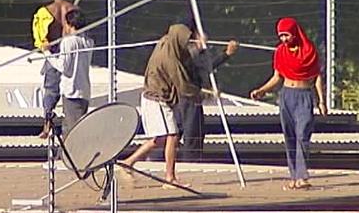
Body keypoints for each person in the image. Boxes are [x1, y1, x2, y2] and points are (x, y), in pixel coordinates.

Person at [249, 17, 327, 191]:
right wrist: (261, 90)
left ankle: (302, 176)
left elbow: (317, 77)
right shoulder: (280, 52)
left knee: (303, 135)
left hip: (304, 96)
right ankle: (294, 176)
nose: (284, 39)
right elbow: (277, 77)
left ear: (294, 32)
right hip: (286, 96)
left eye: (287, 35)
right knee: (290, 137)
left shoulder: (309, 51)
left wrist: (321, 101)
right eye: (281, 36)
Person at [119, 24, 199, 188]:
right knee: (172, 135)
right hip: (156, 99)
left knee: (160, 138)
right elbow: (181, 82)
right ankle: (169, 177)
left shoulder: (166, 42)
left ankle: (128, 162)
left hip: (155, 98)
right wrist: (201, 94)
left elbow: (182, 57)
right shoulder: (168, 57)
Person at [175, 31, 239, 161]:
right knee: (192, 132)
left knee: (191, 131)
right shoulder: (188, 54)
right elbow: (206, 65)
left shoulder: (195, 54)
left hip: (190, 97)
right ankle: (190, 162)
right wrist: (226, 54)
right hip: (187, 98)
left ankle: (191, 159)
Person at [32, 0, 77, 139]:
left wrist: (44, 48)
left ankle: (48, 123)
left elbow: (39, 37)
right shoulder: (74, 10)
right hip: (71, 52)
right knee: (70, 88)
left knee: (51, 90)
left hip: (54, 53)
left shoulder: (45, 12)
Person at [46, 9, 94, 136]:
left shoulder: (69, 42)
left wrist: (47, 54)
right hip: (84, 91)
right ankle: (64, 155)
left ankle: (70, 155)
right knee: (73, 127)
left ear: (70, 24)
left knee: (72, 132)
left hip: (72, 91)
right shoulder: (89, 42)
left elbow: (63, 66)